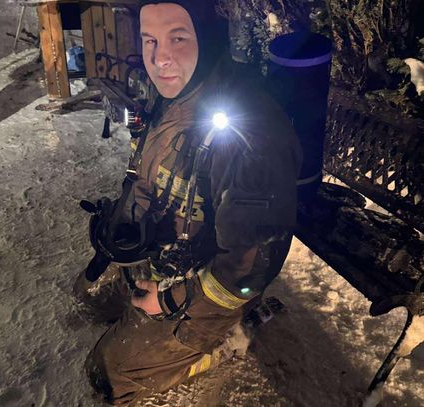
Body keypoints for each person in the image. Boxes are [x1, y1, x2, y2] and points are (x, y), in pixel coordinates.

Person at [73, 1, 302, 404]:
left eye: (177, 38)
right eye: (150, 40)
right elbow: (145, 180)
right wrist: (123, 232)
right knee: (88, 299)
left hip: (206, 286)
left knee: (108, 375)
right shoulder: (172, 99)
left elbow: (248, 265)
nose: (160, 58)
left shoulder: (250, 132)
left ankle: (231, 338)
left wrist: (168, 299)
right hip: (164, 254)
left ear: (207, 38)